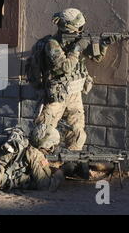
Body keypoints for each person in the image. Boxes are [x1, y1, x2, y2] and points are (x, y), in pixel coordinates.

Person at [29, 8, 118, 152]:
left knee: (77, 132)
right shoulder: (52, 44)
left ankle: (71, 162)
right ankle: (38, 164)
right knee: (43, 131)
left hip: (75, 94)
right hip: (56, 96)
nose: (81, 30)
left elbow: (97, 57)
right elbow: (65, 67)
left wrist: (104, 45)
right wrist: (76, 49)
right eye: (78, 28)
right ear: (68, 27)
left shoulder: (76, 41)